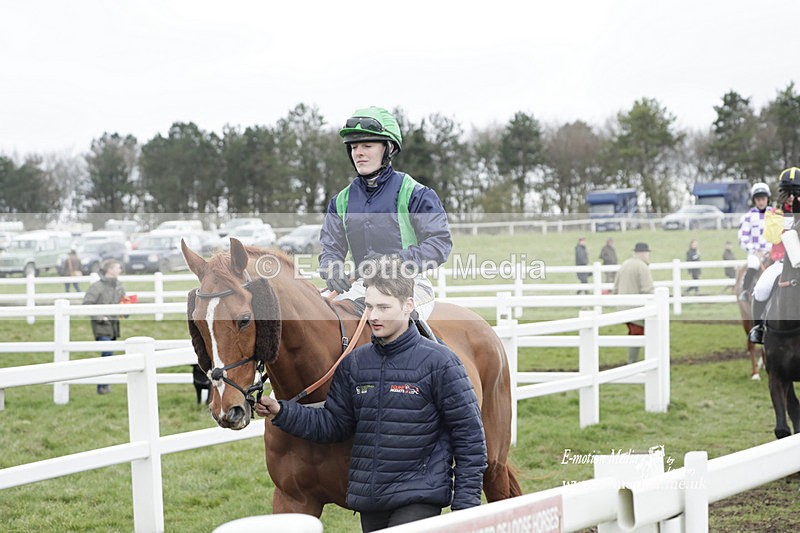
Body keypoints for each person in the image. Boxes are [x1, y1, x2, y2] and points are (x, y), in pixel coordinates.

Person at [255, 260, 487, 532]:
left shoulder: (441, 362)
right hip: (371, 501)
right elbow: (334, 425)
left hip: (417, 497)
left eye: (383, 307)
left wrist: (465, 510)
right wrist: (281, 412)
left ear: (408, 305)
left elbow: (470, 438)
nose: (373, 316)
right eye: (369, 306)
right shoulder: (354, 364)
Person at [319, 107, 452, 338]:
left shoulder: (416, 193)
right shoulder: (340, 201)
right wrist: (332, 268)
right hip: (360, 287)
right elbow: (330, 249)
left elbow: (440, 244)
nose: (358, 153)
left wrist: (393, 262)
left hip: (410, 285)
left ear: (388, 148)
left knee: (396, 317)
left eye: (367, 146)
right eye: (354, 147)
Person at [749, 168, 800, 344]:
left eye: (796, 192)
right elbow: (771, 237)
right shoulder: (774, 213)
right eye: (788, 193)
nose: (792, 197)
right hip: (781, 262)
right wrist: (779, 212)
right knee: (761, 289)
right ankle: (759, 328)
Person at [82, 259, 125, 394]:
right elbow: (87, 305)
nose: (120, 270)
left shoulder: (119, 286)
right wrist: (101, 317)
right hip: (101, 327)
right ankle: (102, 386)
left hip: (113, 326)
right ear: (110, 270)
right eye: (118, 267)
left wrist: (127, 309)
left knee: (108, 355)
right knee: (107, 354)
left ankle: (103, 386)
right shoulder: (97, 287)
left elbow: (122, 303)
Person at [613, 242, 655, 364]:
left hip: (622, 308)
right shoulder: (642, 267)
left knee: (635, 333)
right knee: (641, 333)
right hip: (635, 308)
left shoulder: (625, 265)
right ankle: (635, 362)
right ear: (644, 253)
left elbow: (615, 289)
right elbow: (648, 290)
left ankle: (636, 361)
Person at [737, 182, 773, 301]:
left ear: (767, 198)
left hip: (772, 251)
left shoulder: (775, 214)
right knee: (753, 265)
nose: (761, 202)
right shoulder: (748, 217)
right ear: (754, 200)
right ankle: (745, 291)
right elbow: (743, 238)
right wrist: (755, 251)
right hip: (755, 253)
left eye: (763, 198)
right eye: (758, 199)